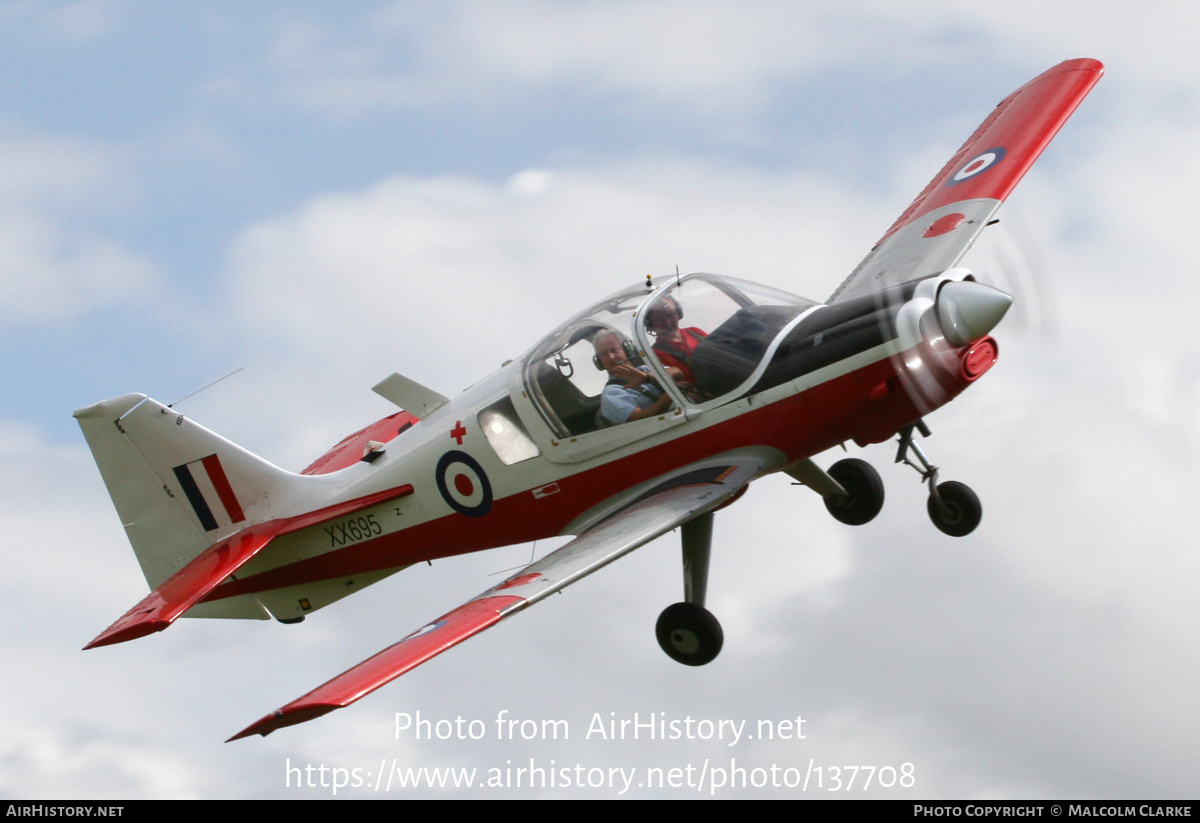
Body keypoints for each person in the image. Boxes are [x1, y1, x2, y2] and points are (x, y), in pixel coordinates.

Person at [593, 331, 676, 425]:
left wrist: (646, 377)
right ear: (599, 362)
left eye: (614, 350)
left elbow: (678, 373)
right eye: (604, 354)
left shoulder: (645, 369)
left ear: (626, 350)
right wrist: (672, 394)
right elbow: (641, 419)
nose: (611, 357)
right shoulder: (611, 393)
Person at [646, 296, 707, 389]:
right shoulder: (655, 354)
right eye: (659, 319)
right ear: (650, 324)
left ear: (678, 314)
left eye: (671, 315)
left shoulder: (695, 332)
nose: (668, 322)